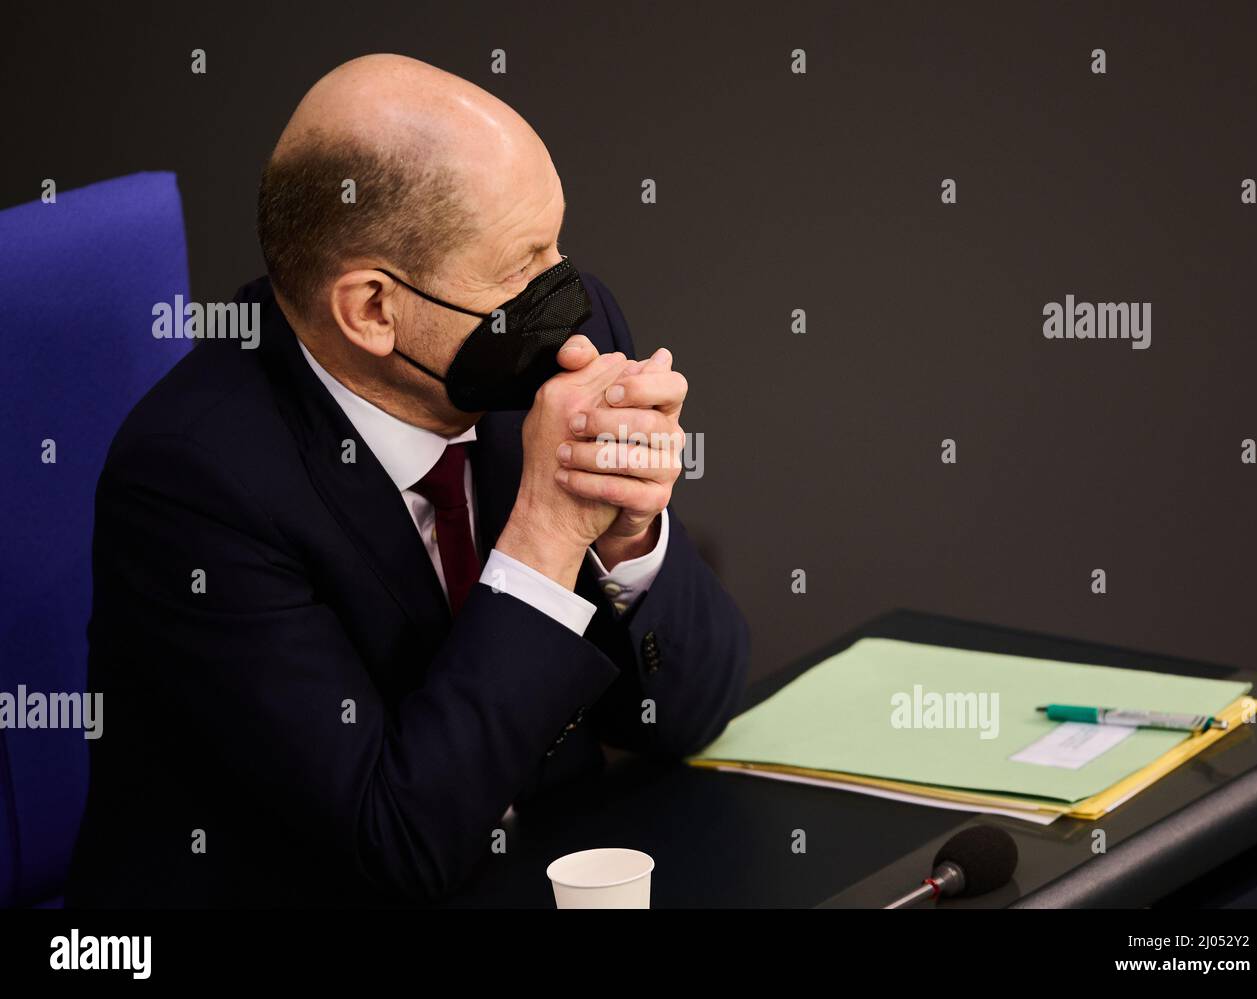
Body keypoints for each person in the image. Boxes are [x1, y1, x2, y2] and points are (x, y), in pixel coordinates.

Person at [65, 54, 749, 907]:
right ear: (373, 311)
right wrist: (543, 533)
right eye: (521, 264)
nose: (568, 301)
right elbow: (393, 844)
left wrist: (628, 540)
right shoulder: (194, 486)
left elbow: (693, 711)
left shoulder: (547, 352)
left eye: (558, 243)